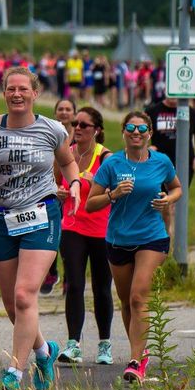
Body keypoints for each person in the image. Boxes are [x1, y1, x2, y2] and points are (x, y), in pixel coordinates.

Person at [0, 67, 82, 390]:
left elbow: (67, 162)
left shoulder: (51, 129)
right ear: (4, 93)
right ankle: (44, 351)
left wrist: (76, 183)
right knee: (14, 306)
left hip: (41, 215)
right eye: (11, 89)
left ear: (35, 94)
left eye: (23, 89)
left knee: (26, 295)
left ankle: (14, 373)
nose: (17, 94)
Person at [85, 112, 182, 383]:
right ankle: (140, 352)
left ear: (149, 133)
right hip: (117, 239)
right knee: (127, 301)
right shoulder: (112, 163)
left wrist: (168, 199)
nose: (136, 132)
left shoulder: (161, 161)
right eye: (131, 127)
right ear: (124, 131)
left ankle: (136, 362)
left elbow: (177, 188)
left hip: (152, 237)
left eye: (141, 128)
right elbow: (91, 203)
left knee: (140, 297)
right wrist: (112, 194)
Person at [56, 107, 114, 365]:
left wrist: (98, 184)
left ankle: (104, 344)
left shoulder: (106, 157)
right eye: (75, 123)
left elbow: (118, 189)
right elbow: (55, 182)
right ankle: (73, 344)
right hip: (72, 226)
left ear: (97, 130)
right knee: (75, 285)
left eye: (84, 125)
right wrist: (58, 192)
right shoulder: (65, 154)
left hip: (102, 230)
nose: (77, 128)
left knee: (102, 288)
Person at [145, 95, 195, 240]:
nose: (173, 97)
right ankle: (165, 237)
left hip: (184, 164)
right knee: (162, 203)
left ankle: (173, 241)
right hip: (158, 164)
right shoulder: (153, 111)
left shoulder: (191, 112)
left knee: (176, 202)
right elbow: (141, 132)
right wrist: (147, 147)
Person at [41, 98, 78, 295]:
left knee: (69, 239)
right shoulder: (50, 135)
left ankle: (69, 277)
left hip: (74, 194)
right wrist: (55, 187)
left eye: (68, 109)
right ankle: (51, 271)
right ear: (55, 113)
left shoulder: (80, 136)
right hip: (52, 191)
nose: (64, 113)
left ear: (74, 113)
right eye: (60, 109)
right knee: (50, 233)